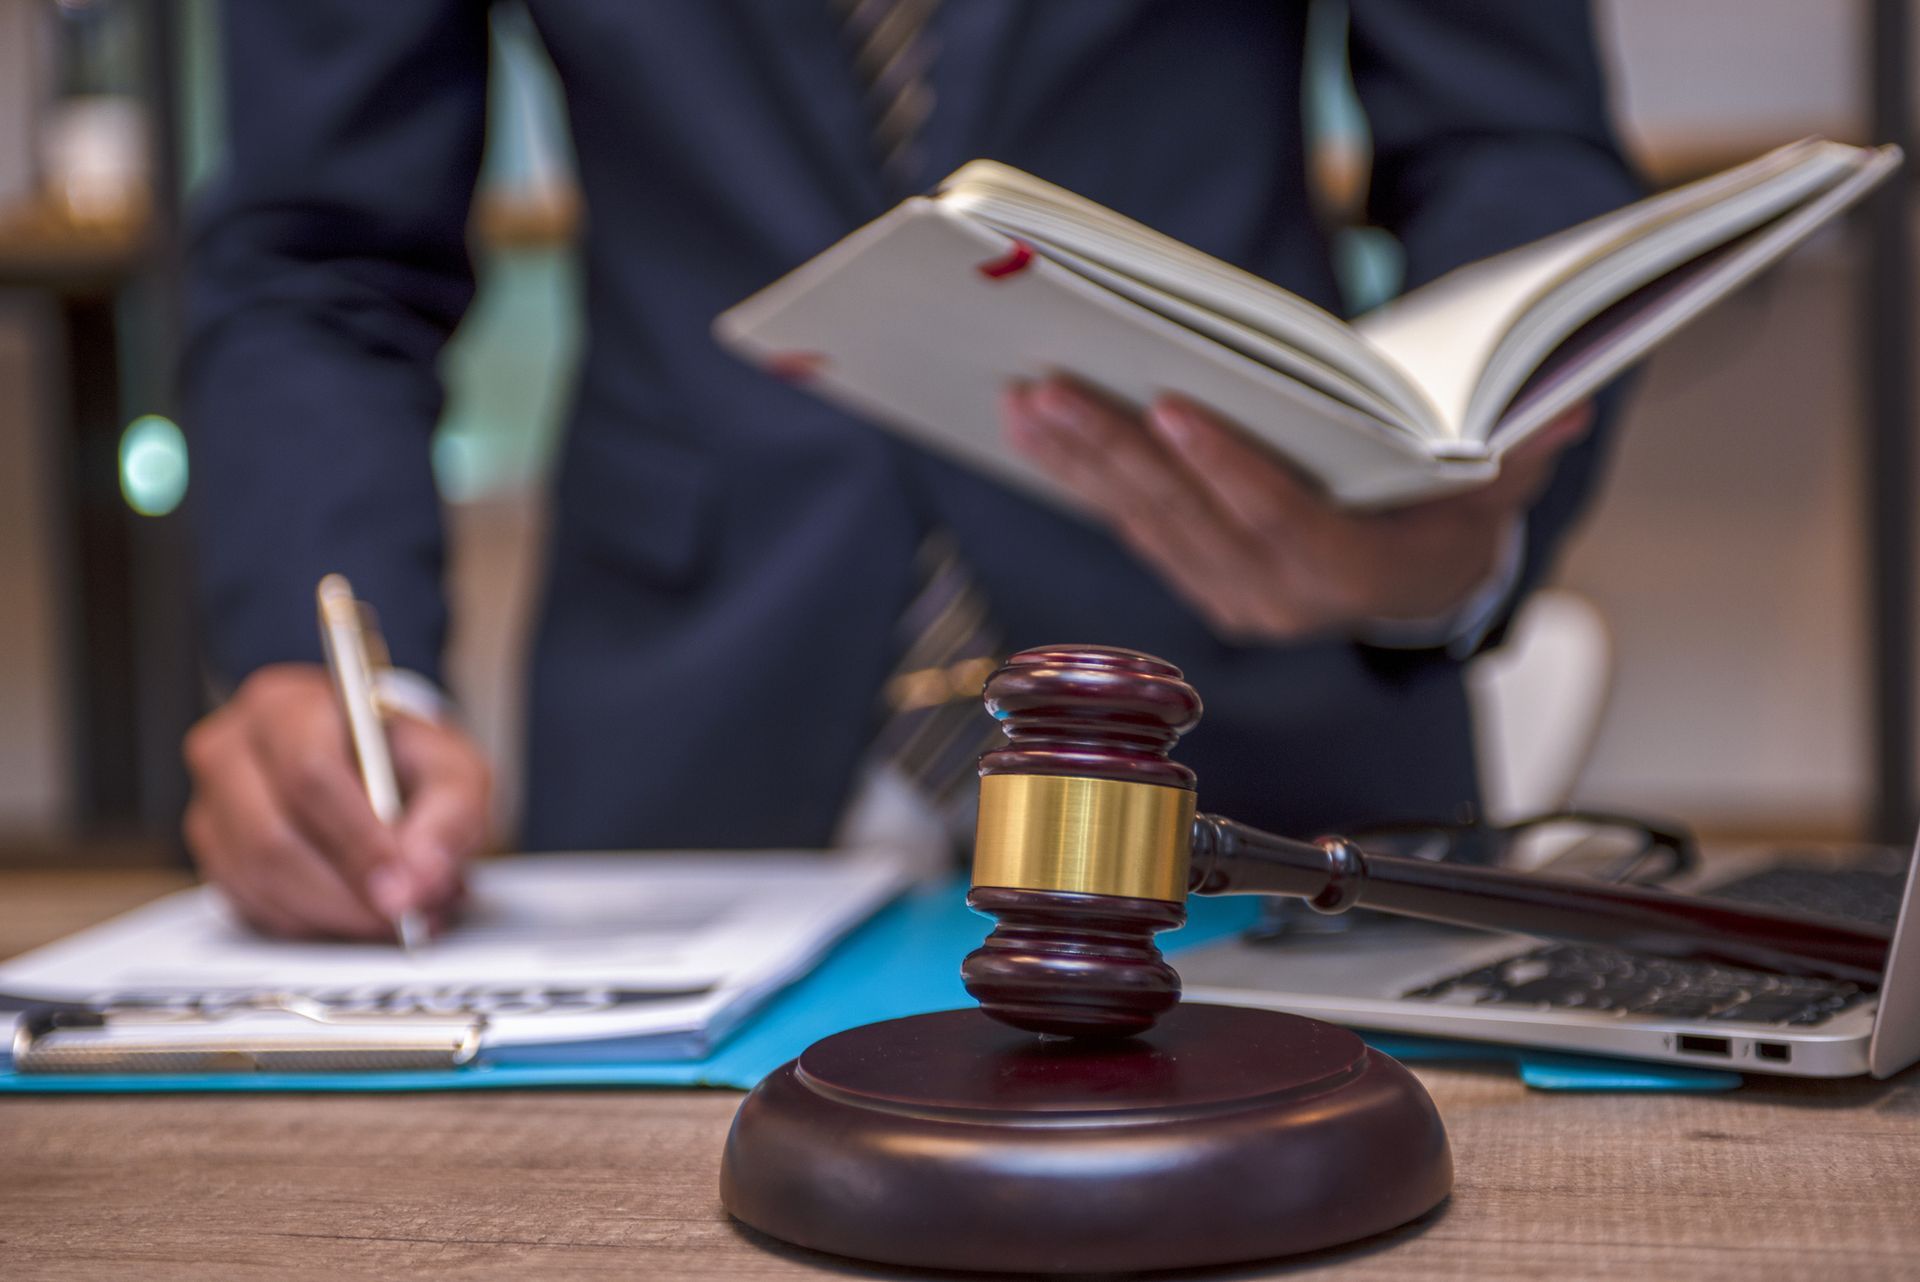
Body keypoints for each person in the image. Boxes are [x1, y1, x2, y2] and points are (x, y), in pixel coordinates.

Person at [180, 1, 1640, 940]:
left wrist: (1446, 512)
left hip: (1262, 738)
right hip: (685, 764)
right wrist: (350, 680)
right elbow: (317, 258)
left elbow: (1514, 144)